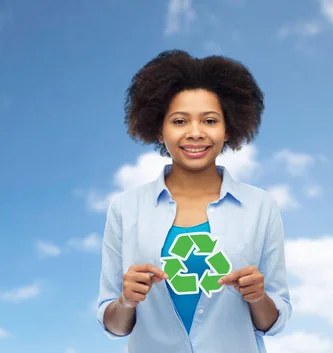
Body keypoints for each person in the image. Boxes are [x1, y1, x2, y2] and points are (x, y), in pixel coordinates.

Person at [96, 49, 291, 352]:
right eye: (179, 121)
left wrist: (257, 297)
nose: (196, 133)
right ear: (159, 131)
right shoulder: (125, 208)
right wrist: (125, 302)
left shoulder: (260, 207)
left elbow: (273, 321)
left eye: (210, 120)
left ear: (228, 129)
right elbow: (113, 324)